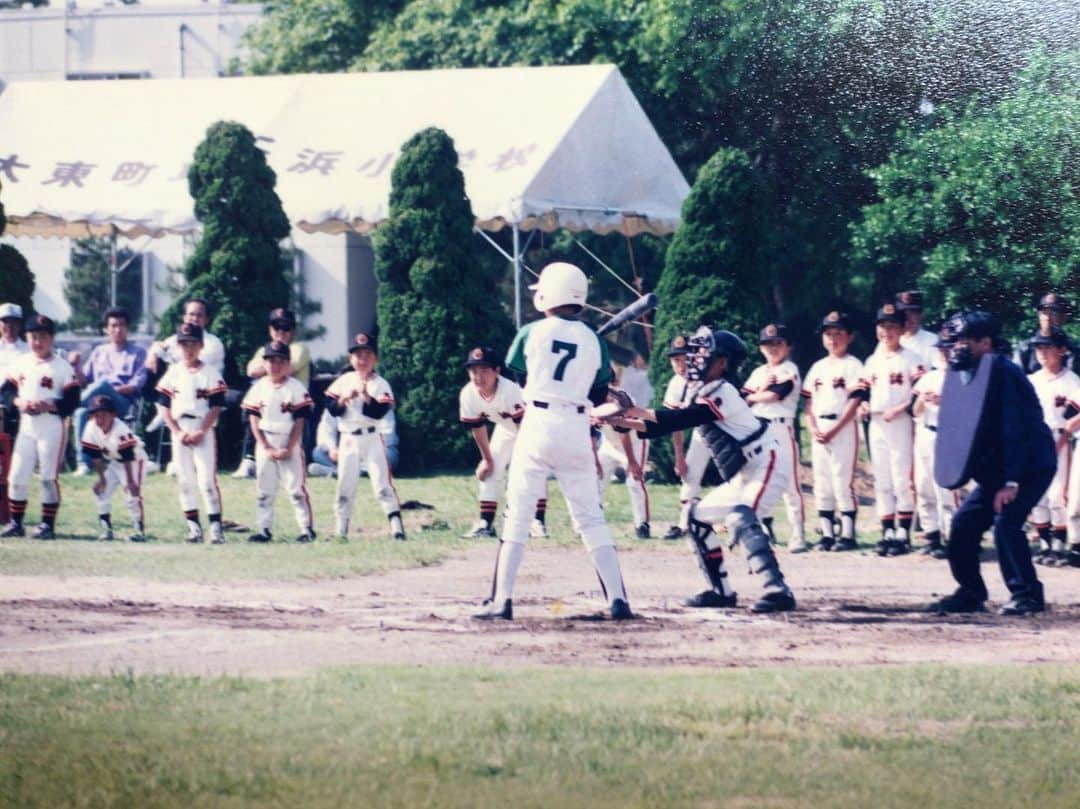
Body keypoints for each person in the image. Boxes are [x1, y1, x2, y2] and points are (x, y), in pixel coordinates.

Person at [474, 261, 632, 621]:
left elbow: (518, 369)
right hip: (577, 424)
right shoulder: (593, 339)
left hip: (539, 422)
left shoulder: (532, 331)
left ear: (548, 293)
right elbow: (599, 388)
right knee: (591, 517)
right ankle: (618, 598)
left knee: (518, 514)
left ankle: (502, 600)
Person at [614, 325, 796, 613]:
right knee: (696, 517)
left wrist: (631, 411)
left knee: (740, 517)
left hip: (767, 461)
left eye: (703, 355)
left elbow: (680, 419)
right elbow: (661, 423)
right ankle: (720, 591)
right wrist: (623, 420)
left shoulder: (723, 390)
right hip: (745, 471)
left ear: (722, 363)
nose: (695, 360)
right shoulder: (701, 388)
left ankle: (778, 590)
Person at [930, 310, 1053, 615]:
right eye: (954, 340)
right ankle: (971, 592)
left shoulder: (1005, 373)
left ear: (985, 342)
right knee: (963, 526)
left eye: (964, 341)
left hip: (1030, 464)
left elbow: (1015, 428)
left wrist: (1011, 481)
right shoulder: (966, 374)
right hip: (998, 469)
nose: (957, 346)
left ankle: (1027, 595)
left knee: (1007, 523)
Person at [458, 346, 551, 539]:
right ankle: (485, 523)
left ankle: (537, 521)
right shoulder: (468, 393)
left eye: (484, 370)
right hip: (506, 427)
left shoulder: (510, 390)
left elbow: (525, 428)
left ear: (497, 371)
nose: (478, 376)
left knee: (530, 471)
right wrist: (487, 459)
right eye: (473, 371)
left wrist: (527, 457)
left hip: (532, 428)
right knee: (491, 469)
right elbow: (478, 427)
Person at [0, 314, 79, 539]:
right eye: (33, 337)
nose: (38, 342)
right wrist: (19, 402)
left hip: (51, 425)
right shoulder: (22, 362)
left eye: (43, 337)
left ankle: (47, 525)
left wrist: (50, 404)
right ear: (27, 337)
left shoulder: (62, 367)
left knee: (47, 476)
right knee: (16, 475)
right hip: (27, 424)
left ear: (51, 338)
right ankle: (16, 523)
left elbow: (73, 400)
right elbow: (6, 391)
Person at [857, 303, 925, 556]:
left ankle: (903, 532)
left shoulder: (911, 358)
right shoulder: (872, 360)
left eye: (893, 326)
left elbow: (920, 393)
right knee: (882, 478)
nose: (887, 331)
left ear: (903, 328)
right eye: (883, 326)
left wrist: (900, 409)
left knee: (901, 477)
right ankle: (887, 530)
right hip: (876, 422)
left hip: (900, 421)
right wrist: (863, 404)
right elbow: (863, 390)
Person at [324, 331, 405, 540]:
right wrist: (344, 398)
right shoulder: (343, 381)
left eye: (368, 355)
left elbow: (379, 412)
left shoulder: (380, 384)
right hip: (349, 438)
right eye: (358, 355)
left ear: (375, 358)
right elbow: (332, 409)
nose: (363, 360)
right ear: (351, 358)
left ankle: (396, 527)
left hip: (371, 437)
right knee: (345, 483)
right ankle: (340, 529)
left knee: (381, 483)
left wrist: (367, 396)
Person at [155, 323, 227, 544]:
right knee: (185, 480)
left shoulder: (209, 373)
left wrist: (202, 430)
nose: (188, 348)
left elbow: (216, 405)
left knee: (206, 479)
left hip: (201, 428)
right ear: (178, 346)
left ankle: (216, 528)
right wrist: (176, 431)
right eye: (184, 344)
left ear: (201, 345)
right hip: (180, 428)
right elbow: (163, 405)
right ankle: (194, 528)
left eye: (193, 343)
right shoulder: (173, 373)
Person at [241, 341, 316, 544]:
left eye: (281, 361)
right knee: (264, 489)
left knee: (296, 489)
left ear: (288, 363)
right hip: (266, 439)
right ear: (264, 364)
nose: (275, 365)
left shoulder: (295, 387)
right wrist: (265, 446)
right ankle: (264, 529)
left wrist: (289, 446)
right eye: (271, 360)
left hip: (288, 438)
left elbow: (300, 419)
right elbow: (253, 419)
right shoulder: (259, 388)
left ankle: (306, 528)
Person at [801, 311, 864, 551]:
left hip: (843, 426)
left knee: (841, 480)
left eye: (838, 333)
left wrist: (835, 429)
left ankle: (848, 535)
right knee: (822, 482)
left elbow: (855, 401)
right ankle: (827, 534)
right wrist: (814, 428)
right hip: (820, 427)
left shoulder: (852, 365)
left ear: (849, 336)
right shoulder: (817, 367)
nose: (833, 339)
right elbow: (808, 403)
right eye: (828, 334)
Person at [742, 323, 807, 552]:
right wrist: (756, 392)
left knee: (790, 483)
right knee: (759, 479)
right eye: (768, 344)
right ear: (761, 348)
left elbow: (776, 394)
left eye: (778, 343)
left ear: (787, 346)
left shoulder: (789, 368)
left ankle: (798, 532)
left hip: (780, 428)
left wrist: (754, 395)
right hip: (757, 431)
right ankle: (764, 530)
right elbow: (742, 396)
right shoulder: (759, 372)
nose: (773, 348)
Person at [233, 307, 311, 479]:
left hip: (293, 405)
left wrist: (269, 363)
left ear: (293, 331)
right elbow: (250, 370)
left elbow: (286, 369)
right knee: (251, 408)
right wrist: (272, 363)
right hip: (268, 404)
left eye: (286, 328)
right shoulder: (263, 349)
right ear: (270, 330)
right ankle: (249, 460)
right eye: (277, 327)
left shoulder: (300, 348)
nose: (281, 332)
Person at [1025, 328, 1080, 566]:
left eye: (1048, 347)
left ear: (1062, 350)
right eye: (1039, 347)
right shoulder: (1031, 380)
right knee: (1038, 495)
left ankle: (1059, 544)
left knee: (1058, 494)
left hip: (1060, 439)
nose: (1043, 352)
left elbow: (1072, 418)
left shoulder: (1072, 380)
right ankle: (1045, 543)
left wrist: (1059, 442)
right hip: (1034, 440)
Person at [72, 307, 148, 475]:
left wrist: (108, 391)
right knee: (81, 413)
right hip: (97, 402)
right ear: (107, 329)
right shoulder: (99, 351)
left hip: (121, 401)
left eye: (122, 325)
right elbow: (84, 380)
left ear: (128, 328)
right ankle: (84, 463)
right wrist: (75, 365)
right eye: (113, 325)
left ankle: (69, 404)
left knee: (104, 384)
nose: (118, 329)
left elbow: (135, 385)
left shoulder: (139, 353)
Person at [911, 333, 957, 558]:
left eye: (949, 348)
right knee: (923, 485)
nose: (945, 353)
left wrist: (944, 401)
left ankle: (953, 537)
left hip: (948, 435)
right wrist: (923, 400)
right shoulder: (930, 377)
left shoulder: (963, 375)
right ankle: (932, 535)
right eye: (941, 348)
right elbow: (915, 410)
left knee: (946, 490)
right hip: (925, 432)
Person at [659, 335, 710, 540]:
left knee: (738, 477)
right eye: (676, 360)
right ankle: (685, 524)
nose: (680, 365)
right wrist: (679, 457)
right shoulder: (675, 383)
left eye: (684, 358)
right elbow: (674, 422)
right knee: (689, 476)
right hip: (703, 431)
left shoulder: (705, 377)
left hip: (725, 431)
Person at [80, 394, 147, 542]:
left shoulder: (120, 429)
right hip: (116, 461)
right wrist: (102, 480)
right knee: (101, 492)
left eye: (103, 415)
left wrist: (130, 481)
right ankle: (106, 529)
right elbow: (95, 455)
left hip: (135, 459)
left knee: (131, 494)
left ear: (113, 415)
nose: (99, 419)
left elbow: (128, 455)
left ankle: (139, 531)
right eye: (96, 415)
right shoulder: (91, 428)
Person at [595, 368, 650, 538]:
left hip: (634, 443)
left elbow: (624, 431)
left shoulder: (620, 398)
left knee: (634, 482)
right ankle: (593, 522)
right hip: (609, 444)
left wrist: (632, 462)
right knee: (596, 481)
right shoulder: (589, 396)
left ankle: (642, 524)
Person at [1014, 293, 1080, 375]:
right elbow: (1016, 382)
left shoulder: (1075, 351)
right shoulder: (1025, 349)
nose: (1048, 317)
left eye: (1053, 312)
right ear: (1039, 316)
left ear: (1064, 317)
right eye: (1044, 312)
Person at [0, 303, 28, 438]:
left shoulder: (29, 350)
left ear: (20, 325)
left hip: (17, 398)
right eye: (5, 322)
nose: (10, 326)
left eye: (14, 322)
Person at [896, 290, 938, 368]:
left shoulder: (933, 341)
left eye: (913, 312)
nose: (908, 317)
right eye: (904, 313)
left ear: (921, 314)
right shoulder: (892, 340)